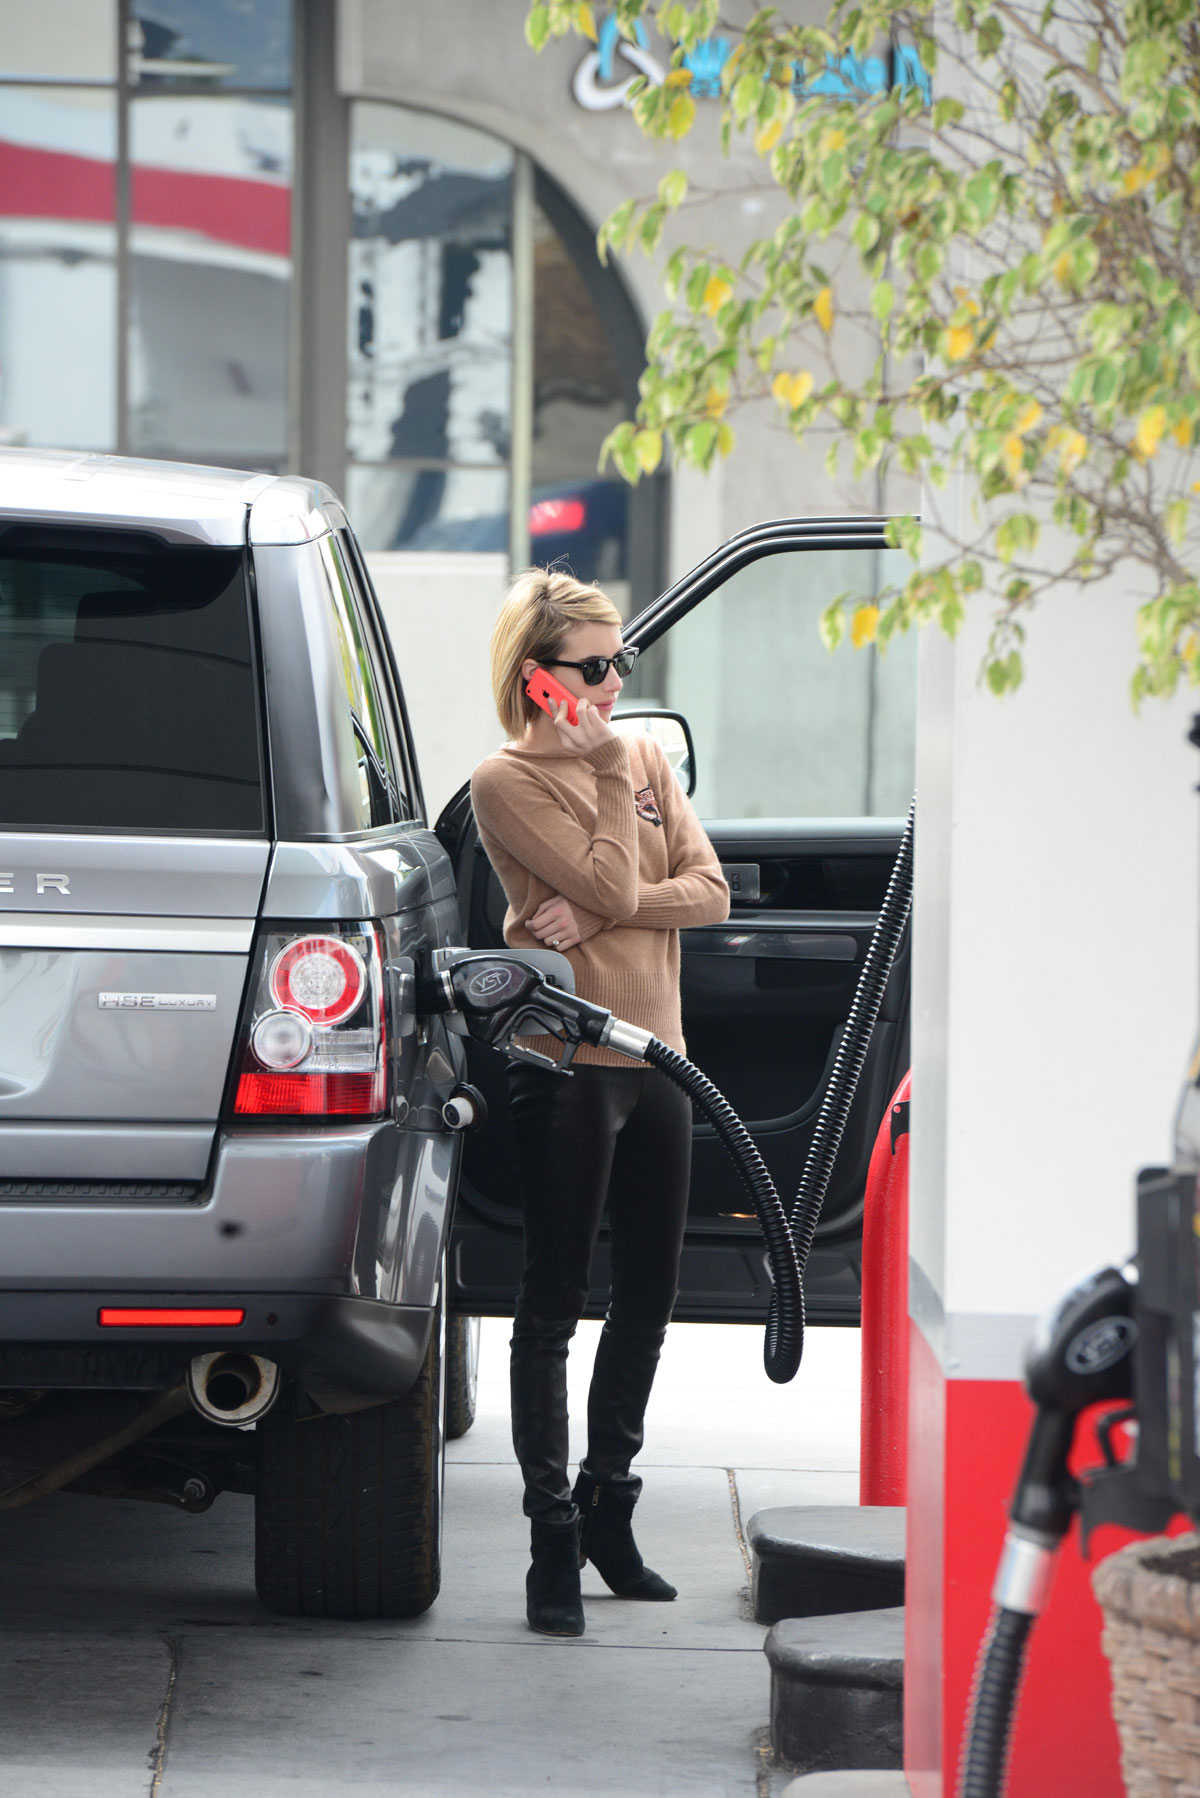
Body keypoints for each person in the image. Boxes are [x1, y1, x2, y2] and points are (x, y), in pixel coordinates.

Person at [470, 568, 730, 1637]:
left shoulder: (647, 755)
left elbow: (706, 891)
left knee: (652, 1294)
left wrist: (600, 901)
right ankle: (551, 1541)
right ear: (541, 681)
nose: (617, 680)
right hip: (566, 1063)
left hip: (657, 1059)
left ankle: (610, 1508)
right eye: (594, 665)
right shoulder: (505, 782)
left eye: (623, 660)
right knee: (553, 1298)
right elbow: (625, 890)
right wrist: (612, 842)